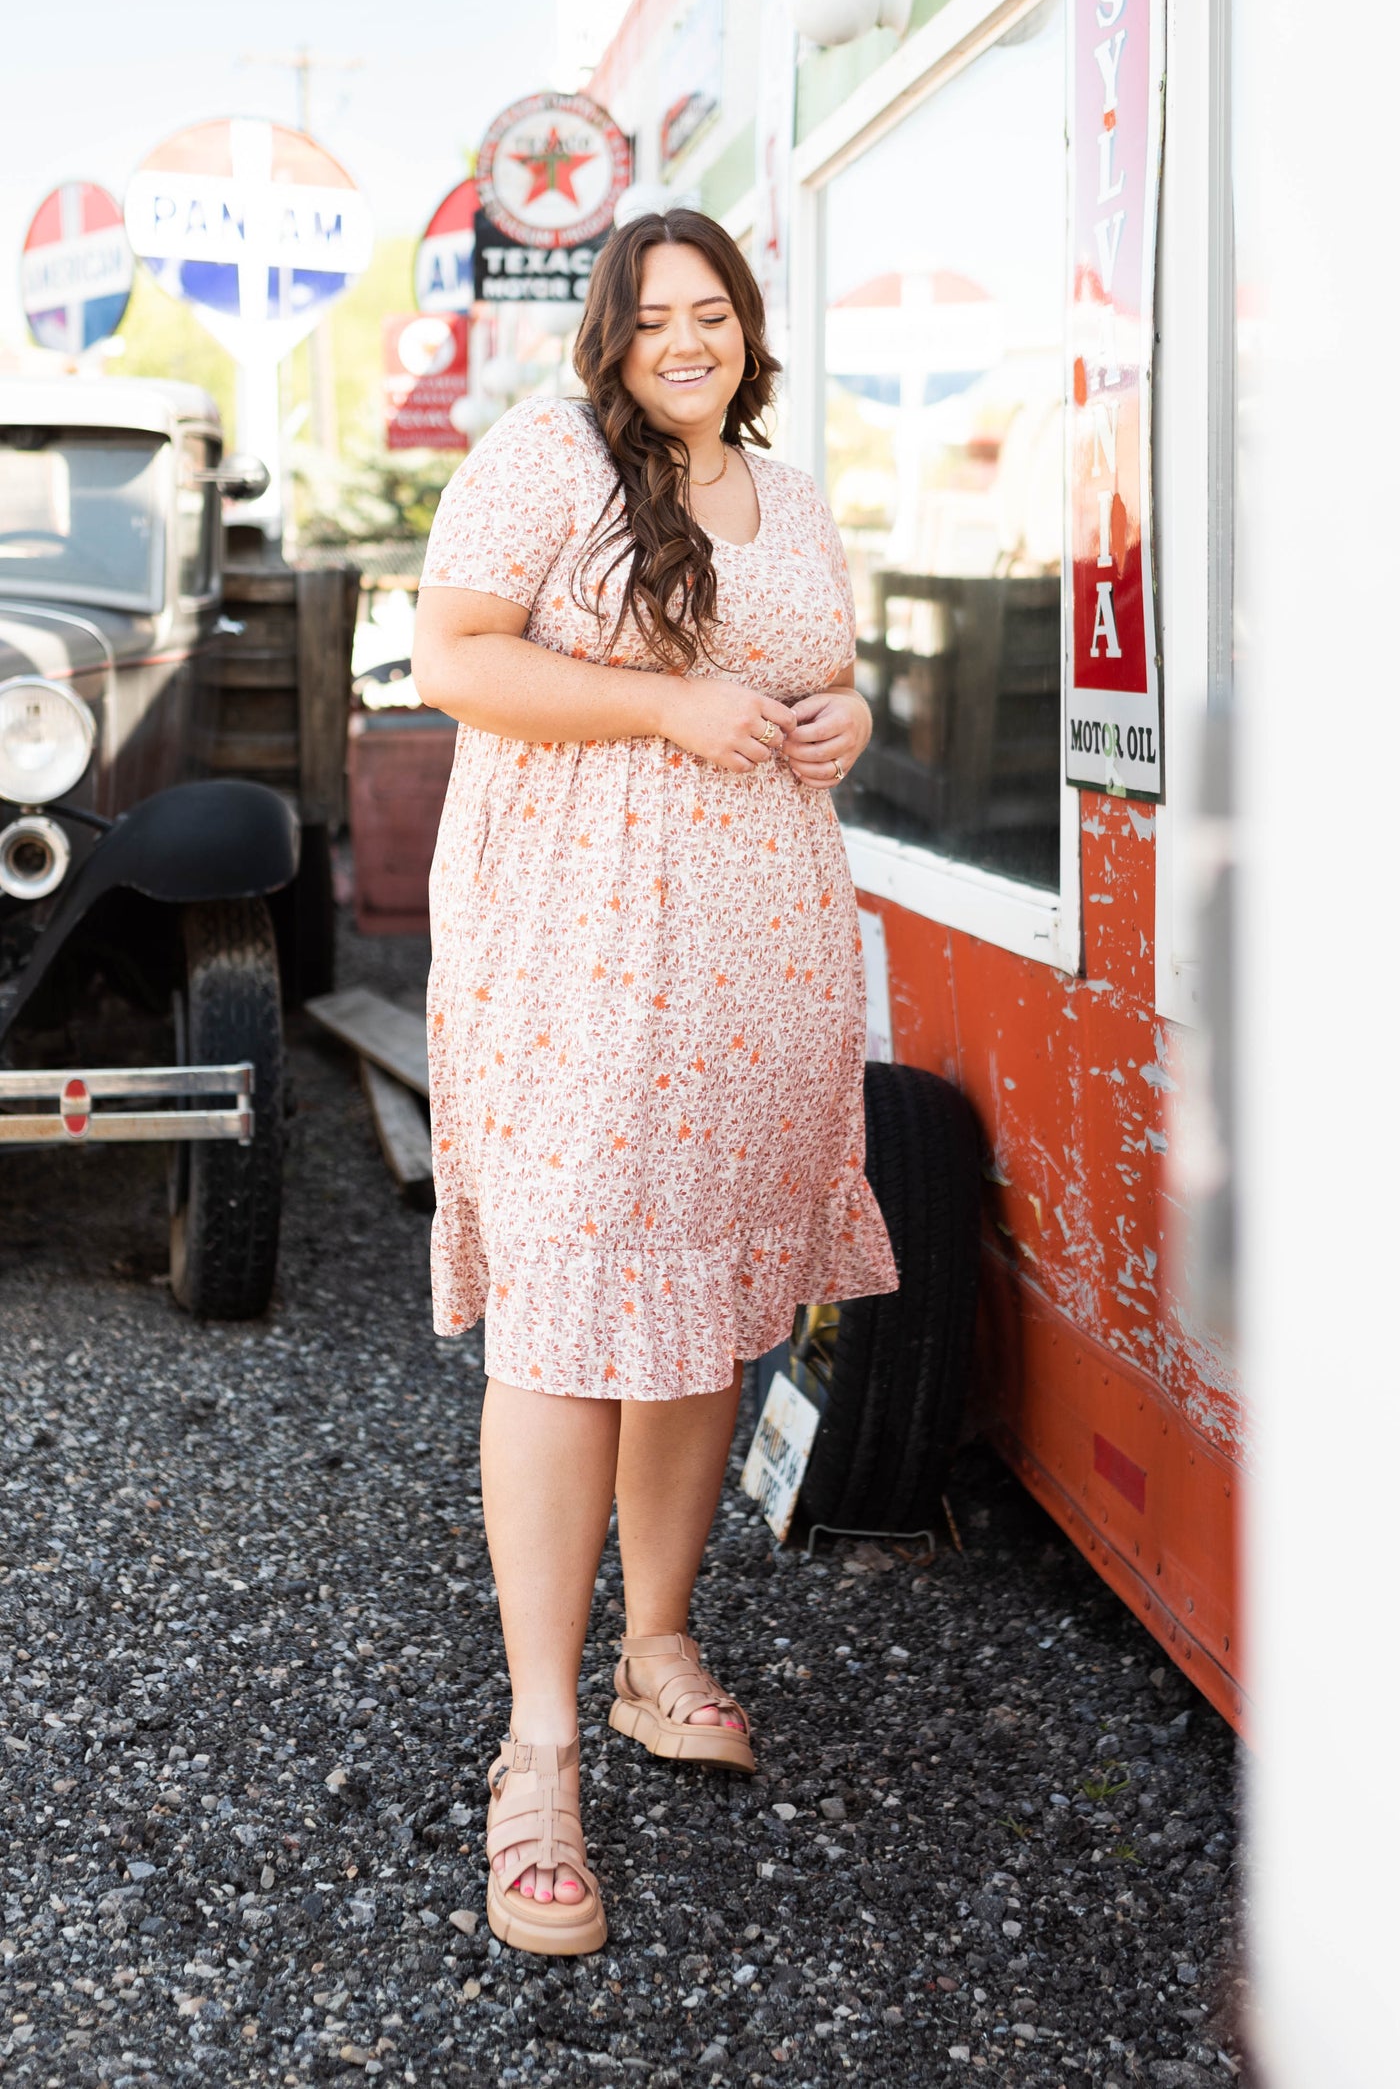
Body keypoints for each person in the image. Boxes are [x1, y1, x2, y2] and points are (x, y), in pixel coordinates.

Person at [412, 207, 897, 1958]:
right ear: (607, 334)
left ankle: (658, 1646)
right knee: (569, 1308)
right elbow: (451, 659)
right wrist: (662, 710)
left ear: (745, 329)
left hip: (756, 958)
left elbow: (818, 675)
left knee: (701, 1291)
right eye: (655, 316)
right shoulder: (543, 459)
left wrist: (836, 715)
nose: (685, 339)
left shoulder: (787, 484)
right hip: (573, 953)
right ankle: (538, 1745)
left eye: (714, 313)